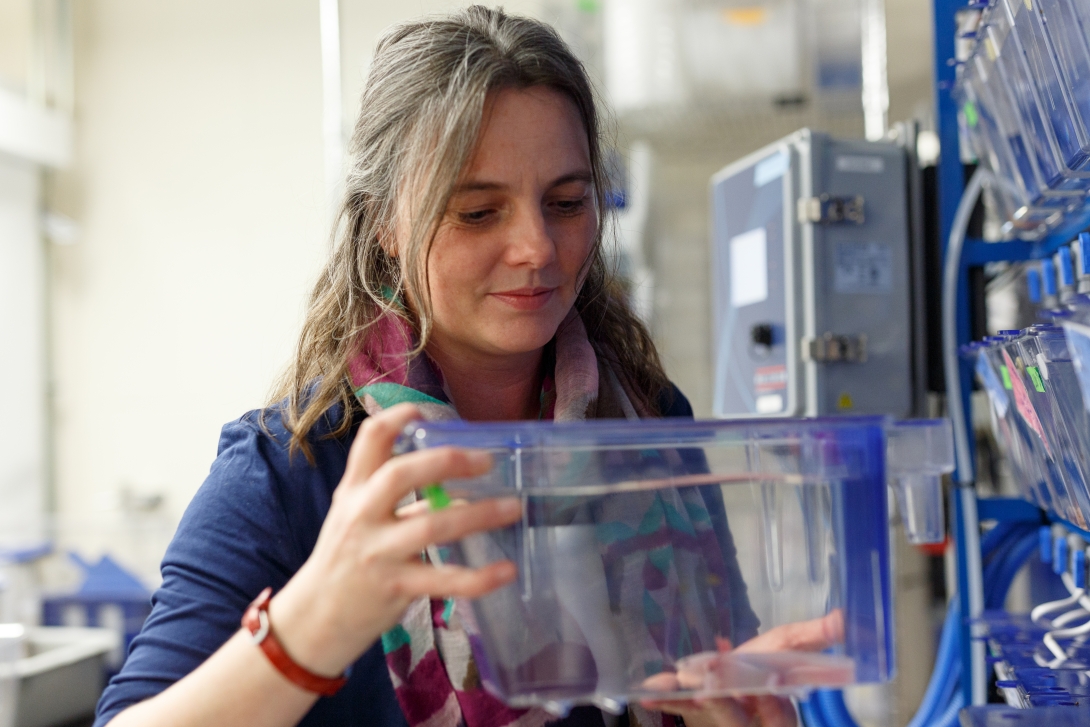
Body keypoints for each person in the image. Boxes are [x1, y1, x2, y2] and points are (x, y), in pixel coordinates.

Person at [95, 7, 837, 727]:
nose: (538, 248)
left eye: (568, 201)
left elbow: (726, 671)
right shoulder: (292, 471)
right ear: (384, 223)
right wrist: (311, 625)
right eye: (478, 212)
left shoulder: (646, 422)